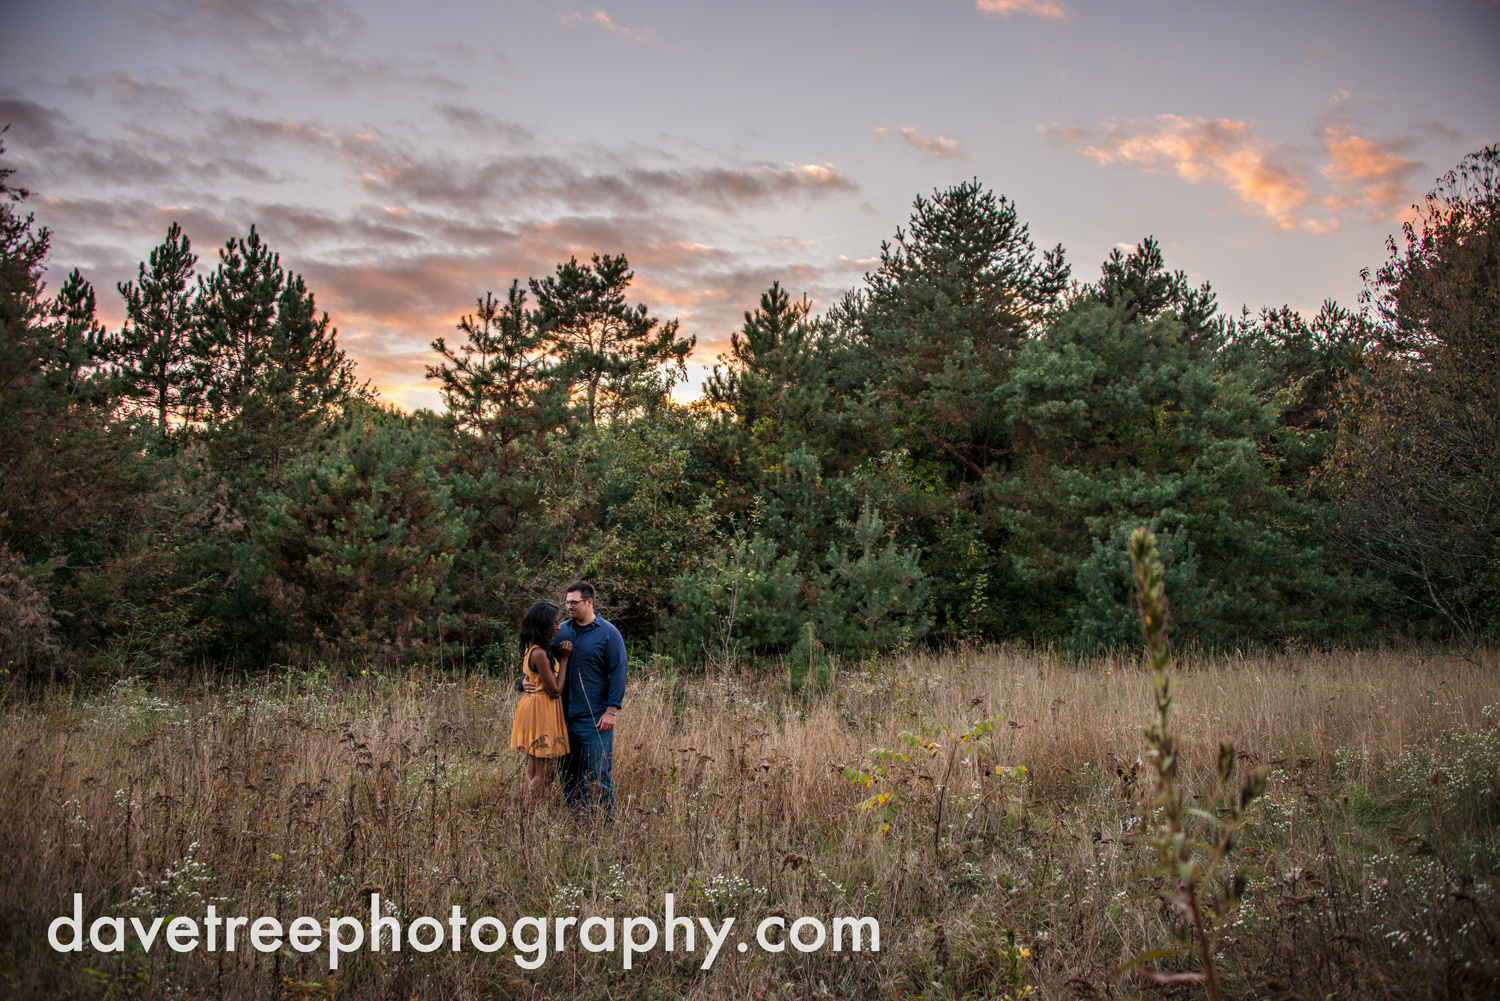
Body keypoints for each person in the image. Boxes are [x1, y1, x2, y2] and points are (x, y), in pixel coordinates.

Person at [522, 581, 625, 821]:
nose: (568, 607)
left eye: (574, 602)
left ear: (589, 602)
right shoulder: (560, 631)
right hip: (560, 718)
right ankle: (579, 824)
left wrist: (611, 710)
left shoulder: (609, 633)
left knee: (599, 777)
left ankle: (604, 827)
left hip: (594, 719)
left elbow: (618, 673)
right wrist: (522, 682)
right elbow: (539, 664)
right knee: (569, 777)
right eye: (567, 602)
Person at [509, 601, 572, 810]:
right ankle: (528, 812)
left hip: (532, 706)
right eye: (555, 623)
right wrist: (564, 660)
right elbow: (554, 690)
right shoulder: (539, 654)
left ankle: (525, 813)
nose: (559, 627)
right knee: (548, 771)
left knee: (536, 767)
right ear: (544, 625)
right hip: (541, 709)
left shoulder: (531, 648)